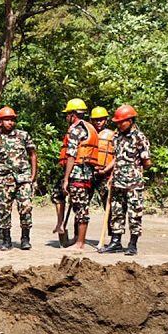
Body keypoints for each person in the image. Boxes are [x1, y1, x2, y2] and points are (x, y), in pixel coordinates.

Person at [99, 105, 152, 256]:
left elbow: (147, 162)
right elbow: (117, 159)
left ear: (129, 120)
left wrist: (134, 170)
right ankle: (116, 242)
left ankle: (133, 244)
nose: (118, 125)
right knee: (116, 212)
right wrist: (111, 175)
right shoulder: (117, 138)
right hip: (117, 182)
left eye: (121, 122)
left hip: (133, 183)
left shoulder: (140, 138)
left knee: (134, 213)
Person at [0, 106, 37, 250]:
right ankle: (6, 239)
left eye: (12, 120)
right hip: (5, 180)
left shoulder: (23, 135)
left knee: (26, 208)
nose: (10, 122)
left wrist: (33, 175)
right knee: (4, 210)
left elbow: (32, 154)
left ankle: (25, 238)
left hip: (23, 179)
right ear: (0, 121)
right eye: (7, 120)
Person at [54, 98, 100, 251]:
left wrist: (66, 179)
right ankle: (62, 226)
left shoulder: (75, 130)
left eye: (67, 115)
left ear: (73, 115)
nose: (67, 117)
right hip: (87, 173)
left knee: (80, 207)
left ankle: (80, 243)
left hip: (78, 174)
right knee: (57, 194)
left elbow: (71, 155)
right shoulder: (90, 127)